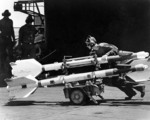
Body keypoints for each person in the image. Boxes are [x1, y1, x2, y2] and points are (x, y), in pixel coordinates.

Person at [85, 35, 145, 100]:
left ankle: (139, 87)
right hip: (109, 66)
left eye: (88, 44)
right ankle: (132, 92)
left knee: (118, 81)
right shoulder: (93, 52)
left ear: (91, 44)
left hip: (116, 63)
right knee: (115, 82)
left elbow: (115, 48)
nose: (87, 46)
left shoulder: (102, 45)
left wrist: (106, 55)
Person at [0, 10, 14, 78]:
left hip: (5, 39)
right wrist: (13, 38)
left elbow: (12, 30)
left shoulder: (8, 21)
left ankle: (8, 69)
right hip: (5, 39)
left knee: (7, 54)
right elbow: (12, 30)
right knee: (5, 54)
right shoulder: (8, 21)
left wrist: (13, 38)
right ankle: (5, 69)